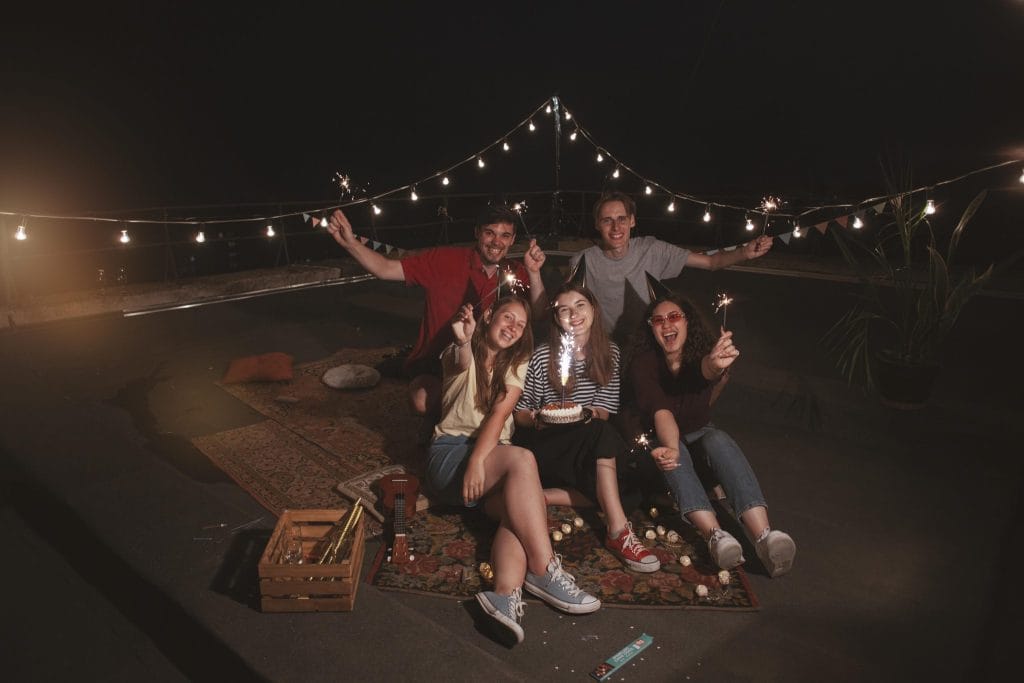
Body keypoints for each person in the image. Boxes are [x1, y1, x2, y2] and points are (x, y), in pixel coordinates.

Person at [424, 295, 600, 645]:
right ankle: (544, 568)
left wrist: (481, 460)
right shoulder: (459, 350)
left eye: (520, 325)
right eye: (507, 318)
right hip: (451, 455)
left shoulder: (516, 363)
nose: (513, 328)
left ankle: (503, 596)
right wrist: (461, 340)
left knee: (519, 515)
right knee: (523, 460)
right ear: (489, 316)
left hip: (489, 462)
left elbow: (502, 412)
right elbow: (460, 361)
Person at [623, 292, 796, 577]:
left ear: (687, 322)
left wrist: (716, 365)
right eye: (658, 320)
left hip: (700, 439)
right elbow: (661, 411)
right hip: (660, 445)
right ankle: (716, 536)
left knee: (718, 438)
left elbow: (705, 370)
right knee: (674, 451)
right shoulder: (643, 364)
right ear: (651, 329)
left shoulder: (701, 355)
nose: (667, 324)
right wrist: (672, 448)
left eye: (674, 317)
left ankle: (764, 536)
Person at [326, 205, 547, 417]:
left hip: (491, 363)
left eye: (505, 235)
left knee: (522, 397)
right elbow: (385, 269)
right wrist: (350, 244)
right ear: (477, 233)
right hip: (439, 360)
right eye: (490, 233)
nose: (496, 242)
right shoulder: (445, 259)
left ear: (512, 240)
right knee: (421, 401)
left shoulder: (515, 271)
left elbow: (539, 314)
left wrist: (534, 273)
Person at [513, 283, 659, 572]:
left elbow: (605, 412)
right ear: (556, 318)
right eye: (564, 309)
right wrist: (541, 416)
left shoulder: (610, 353)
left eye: (580, 305)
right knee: (604, 447)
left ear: (593, 308)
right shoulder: (543, 356)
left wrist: (583, 413)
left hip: (589, 439)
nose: (573, 314)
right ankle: (618, 532)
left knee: (636, 479)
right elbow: (520, 413)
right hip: (547, 443)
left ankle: (548, 495)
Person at [570, 191, 774, 342]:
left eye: (622, 219)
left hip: (647, 342)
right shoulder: (582, 260)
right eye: (608, 221)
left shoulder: (652, 249)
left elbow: (711, 262)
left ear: (632, 221)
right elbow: (565, 309)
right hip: (602, 346)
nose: (616, 228)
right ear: (597, 224)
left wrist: (744, 253)